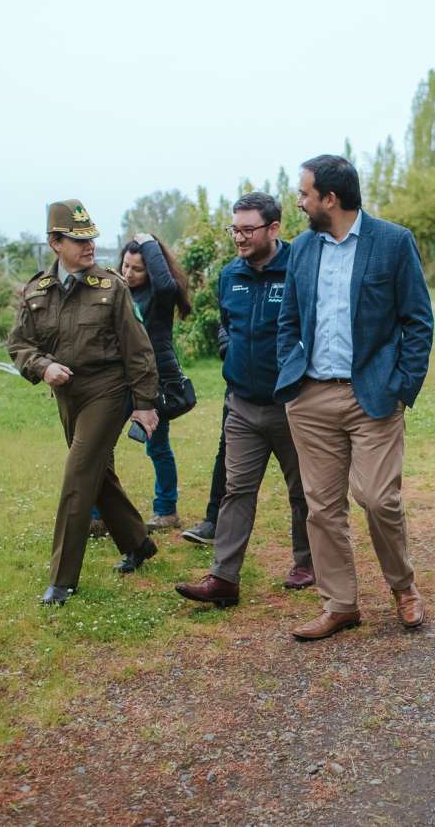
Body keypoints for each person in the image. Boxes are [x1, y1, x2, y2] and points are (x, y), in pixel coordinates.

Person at [275, 154, 434, 641]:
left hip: (374, 396)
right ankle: (340, 604)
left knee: (377, 498)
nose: (299, 202)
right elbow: (290, 320)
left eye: (304, 194)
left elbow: (418, 321)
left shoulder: (392, 242)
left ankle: (403, 588)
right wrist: (293, 378)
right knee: (322, 507)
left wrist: (402, 385)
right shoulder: (302, 249)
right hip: (312, 398)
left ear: (330, 198)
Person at [7, 200, 161, 605]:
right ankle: (138, 542)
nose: (88, 245)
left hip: (107, 391)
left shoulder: (111, 287)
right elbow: (19, 344)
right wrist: (42, 367)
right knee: (97, 474)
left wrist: (145, 403)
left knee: (78, 475)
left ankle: (62, 581)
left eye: (91, 237)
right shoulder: (37, 290)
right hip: (66, 394)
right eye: (78, 239)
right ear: (55, 242)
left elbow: (139, 350)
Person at [175, 192, 314, 606]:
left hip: (292, 403)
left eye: (248, 229)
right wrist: (227, 349)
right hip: (242, 405)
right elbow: (225, 322)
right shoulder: (229, 275)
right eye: (234, 228)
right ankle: (223, 578)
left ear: (273, 229)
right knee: (236, 489)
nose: (239, 237)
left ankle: (306, 563)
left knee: (304, 490)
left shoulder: (300, 270)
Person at [90, 233, 191, 533]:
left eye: (137, 269)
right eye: (125, 266)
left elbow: (167, 284)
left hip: (153, 384)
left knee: (157, 448)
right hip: (118, 383)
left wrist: (150, 243)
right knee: (100, 446)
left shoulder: (159, 299)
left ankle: (166, 511)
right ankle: (98, 515)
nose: (128, 273)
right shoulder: (119, 294)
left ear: (151, 270)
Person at [181, 331, 229, 545]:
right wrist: (229, 347)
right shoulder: (229, 294)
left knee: (295, 460)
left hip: (285, 384)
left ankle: (304, 528)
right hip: (241, 388)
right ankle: (213, 522)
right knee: (226, 451)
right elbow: (226, 320)